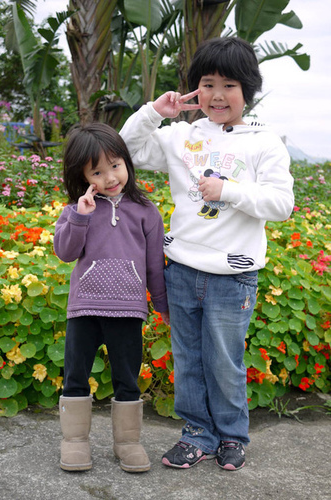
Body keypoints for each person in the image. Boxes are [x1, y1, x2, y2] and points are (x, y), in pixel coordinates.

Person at [120, 37, 294, 471]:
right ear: (195, 88)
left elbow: (282, 205)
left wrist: (229, 192)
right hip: (180, 268)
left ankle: (232, 436)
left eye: (230, 85)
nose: (218, 95)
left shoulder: (264, 142)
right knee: (189, 360)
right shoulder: (181, 135)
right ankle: (197, 434)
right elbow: (127, 152)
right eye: (208, 83)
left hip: (233, 275)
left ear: (247, 91)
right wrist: (155, 113)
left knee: (225, 362)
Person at [54, 123, 169, 473]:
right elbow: (65, 252)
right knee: (75, 374)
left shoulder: (146, 211)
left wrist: (163, 308)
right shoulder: (77, 209)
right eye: (97, 172)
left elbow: (154, 266)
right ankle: (74, 441)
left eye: (115, 165)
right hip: (85, 308)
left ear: (127, 163)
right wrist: (80, 217)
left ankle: (128, 442)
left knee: (127, 378)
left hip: (128, 310)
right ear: (83, 176)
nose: (110, 177)